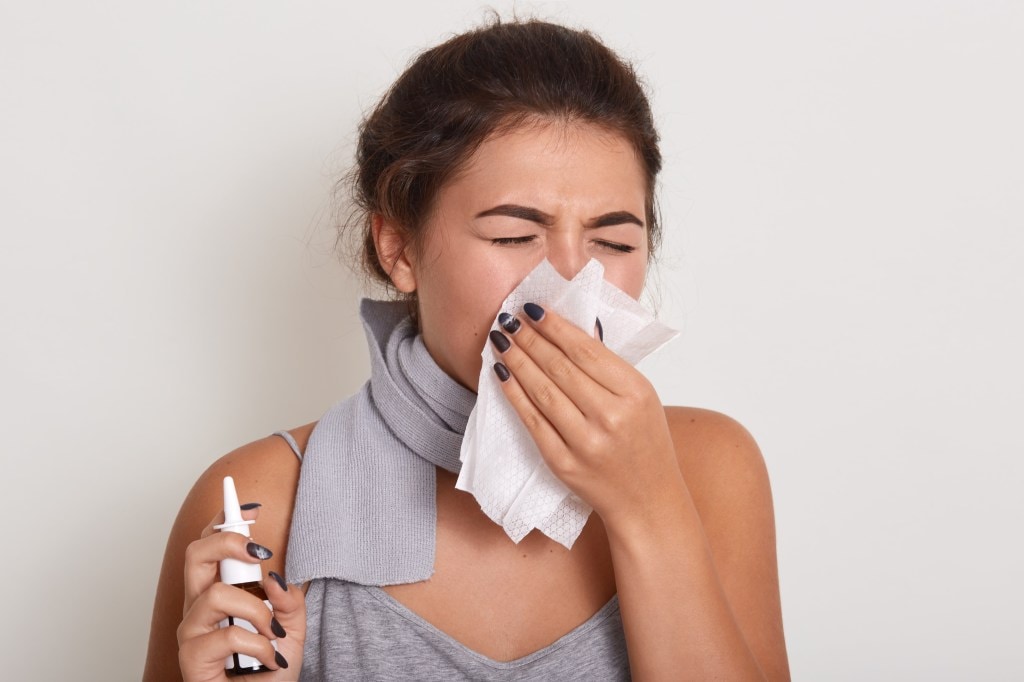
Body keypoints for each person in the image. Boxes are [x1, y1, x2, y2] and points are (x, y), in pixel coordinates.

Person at [144, 18, 790, 681]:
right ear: (399, 248)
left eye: (615, 242)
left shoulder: (710, 473)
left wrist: (649, 508)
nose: (572, 282)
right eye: (514, 236)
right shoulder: (261, 504)